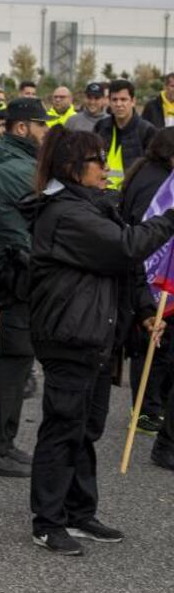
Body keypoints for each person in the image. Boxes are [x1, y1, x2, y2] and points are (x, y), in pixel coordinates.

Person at [26, 126, 174, 555]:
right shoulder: (65, 214)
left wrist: (146, 310)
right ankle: (48, 521)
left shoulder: (94, 205)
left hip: (97, 334)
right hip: (69, 335)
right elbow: (127, 248)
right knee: (62, 427)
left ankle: (79, 512)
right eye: (97, 161)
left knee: (86, 427)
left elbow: (126, 269)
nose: (107, 169)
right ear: (74, 168)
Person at [0, 99, 50, 477]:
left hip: (19, 270)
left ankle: (4, 441)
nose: (46, 133)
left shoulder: (11, 161)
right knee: (15, 360)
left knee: (19, 361)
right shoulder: (17, 168)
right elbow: (52, 204)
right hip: (18, 272)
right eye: (41, 126)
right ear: (22, 129)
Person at [118, 129, 174, 437]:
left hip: (141, 268)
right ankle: (146, 410)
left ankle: (149, 407)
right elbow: (149, 226)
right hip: (149, 271)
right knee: (152, 343)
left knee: (151, 343)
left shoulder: (145, 171)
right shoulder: (160, 182)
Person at [97, 79, 156, 190]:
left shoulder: (147, 130)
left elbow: (152, 170)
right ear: (109, 102)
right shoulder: (101, 127)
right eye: (114, 100)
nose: (119, 104)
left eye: (123, 99)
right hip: (101, 194)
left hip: (130, 195)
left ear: (133, 101)